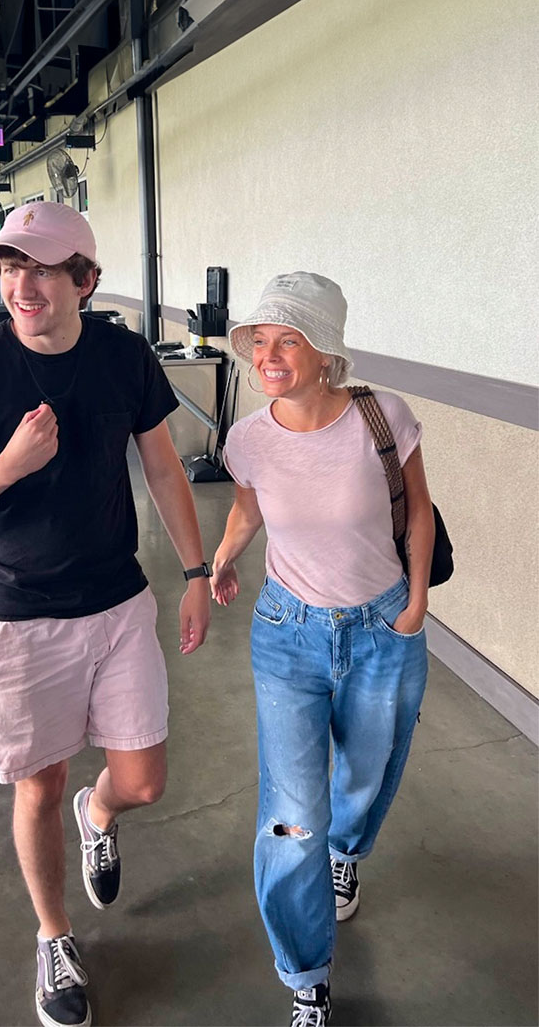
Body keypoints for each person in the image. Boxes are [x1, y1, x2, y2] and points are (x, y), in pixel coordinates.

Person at [0, 200, 211, 1027]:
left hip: (117, 603)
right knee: (38, 787)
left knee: (142, 780)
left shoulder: (121, 355)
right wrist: (4, 466)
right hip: (19, 617)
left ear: (85, 279)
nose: (21, 285)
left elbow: (162, 468)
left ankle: (100, 811)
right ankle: (53, 935)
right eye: (9, 267)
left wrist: (191, 569)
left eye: (40, 268)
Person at [210, 272, 434, 1027]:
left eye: (288, 339)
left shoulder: (381, 417)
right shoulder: (246, 436)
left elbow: (419, 511)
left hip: (381, 630)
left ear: (324, 352)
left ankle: (346, 855)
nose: (269, 355)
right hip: (287, 636)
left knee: (368, 774)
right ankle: (304, 974)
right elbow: (248, 502)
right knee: (289, 810)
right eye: (260, 340)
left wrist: (414, 604)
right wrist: (224, 555)